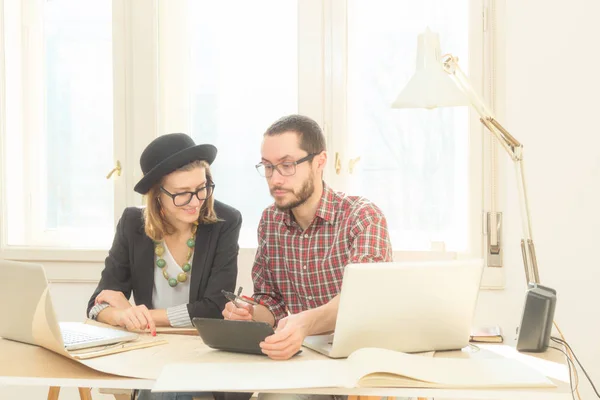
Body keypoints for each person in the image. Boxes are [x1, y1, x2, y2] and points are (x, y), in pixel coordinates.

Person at [223, 115, 393, 400]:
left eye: (287, 165)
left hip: (363, 364)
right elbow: (273, 303)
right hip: (306, 361)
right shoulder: (270, 221)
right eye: (267, 167)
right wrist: (250, 313)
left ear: (319, 161)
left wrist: (303, 324)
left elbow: (362, 301)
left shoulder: (362, 216)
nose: (275, 179)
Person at [87, 133, 242, 400]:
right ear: (157, 195)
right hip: (153, 349)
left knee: (169, 385)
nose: (196, 201)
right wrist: (122, 316)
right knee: (162, 384)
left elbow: (214, 308)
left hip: (202, 350)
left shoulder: (225, 222)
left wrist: (141, 315)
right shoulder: (132, 224)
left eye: (202, 187)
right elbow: (97, 304)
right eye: (182, 194)